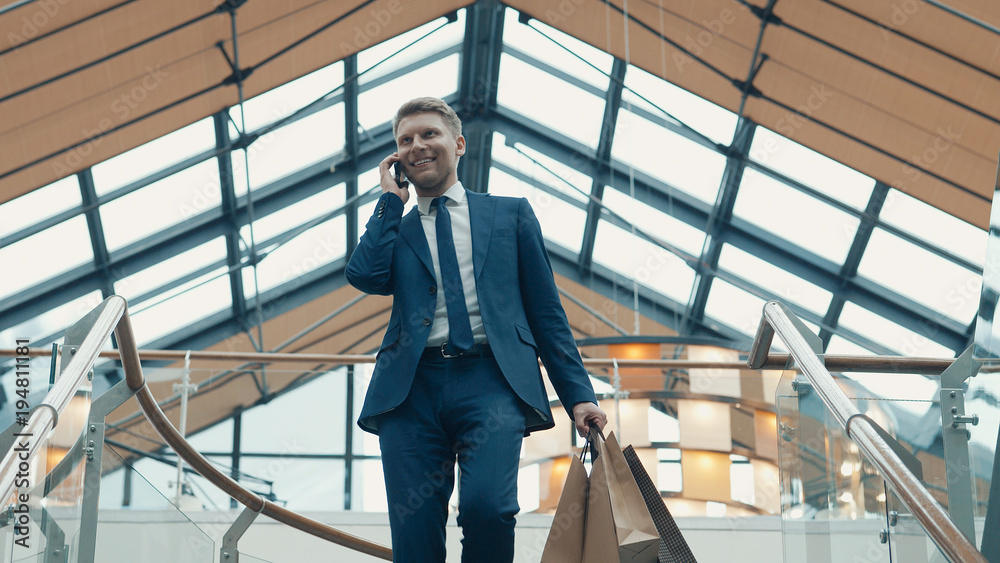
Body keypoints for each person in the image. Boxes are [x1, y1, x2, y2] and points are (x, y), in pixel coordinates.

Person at [346, 97, 607, 563]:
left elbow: (547, 313)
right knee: (415, 530)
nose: (416, 146)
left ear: (459, 144)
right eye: (405, 140)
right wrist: (390, 201)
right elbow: (365, 276)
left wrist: (578, 395)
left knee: (489, 508)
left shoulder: (510, 215)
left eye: (429, 134)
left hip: (490, 381)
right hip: (409, 392)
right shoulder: (396, 229)